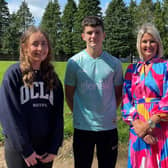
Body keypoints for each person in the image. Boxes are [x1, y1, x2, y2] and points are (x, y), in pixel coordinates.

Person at [0, 26, 64, 168]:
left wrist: (54, 148)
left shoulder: (53, 79)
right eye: (35, 44)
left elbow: (57, 116)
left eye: (44, 43)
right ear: (25, 47)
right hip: (20, 151)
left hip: (45, 151)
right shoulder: (14, 75)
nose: (40, 48)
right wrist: (26, 150)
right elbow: (9, 116)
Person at [64, 16, 123, 168]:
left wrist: (108, 112)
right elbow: (69, 94)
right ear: (83, 36)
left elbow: (118, 94)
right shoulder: (74, 63)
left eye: (97, 32)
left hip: (108, 127)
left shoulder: (115, 63)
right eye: (89, 32)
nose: (93, 36)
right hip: (83, 127)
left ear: (104, 35)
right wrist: (80, 114)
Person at [121, 23, 168, 168]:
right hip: (137, 129)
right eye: (144, 41)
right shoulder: (132, 69)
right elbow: (126, 99)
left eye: (152, 41)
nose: (148, 45)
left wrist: (149, 125)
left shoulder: (166, 66)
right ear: (139, 44)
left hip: (160, 127)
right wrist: (139, 128)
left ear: (158, 43)